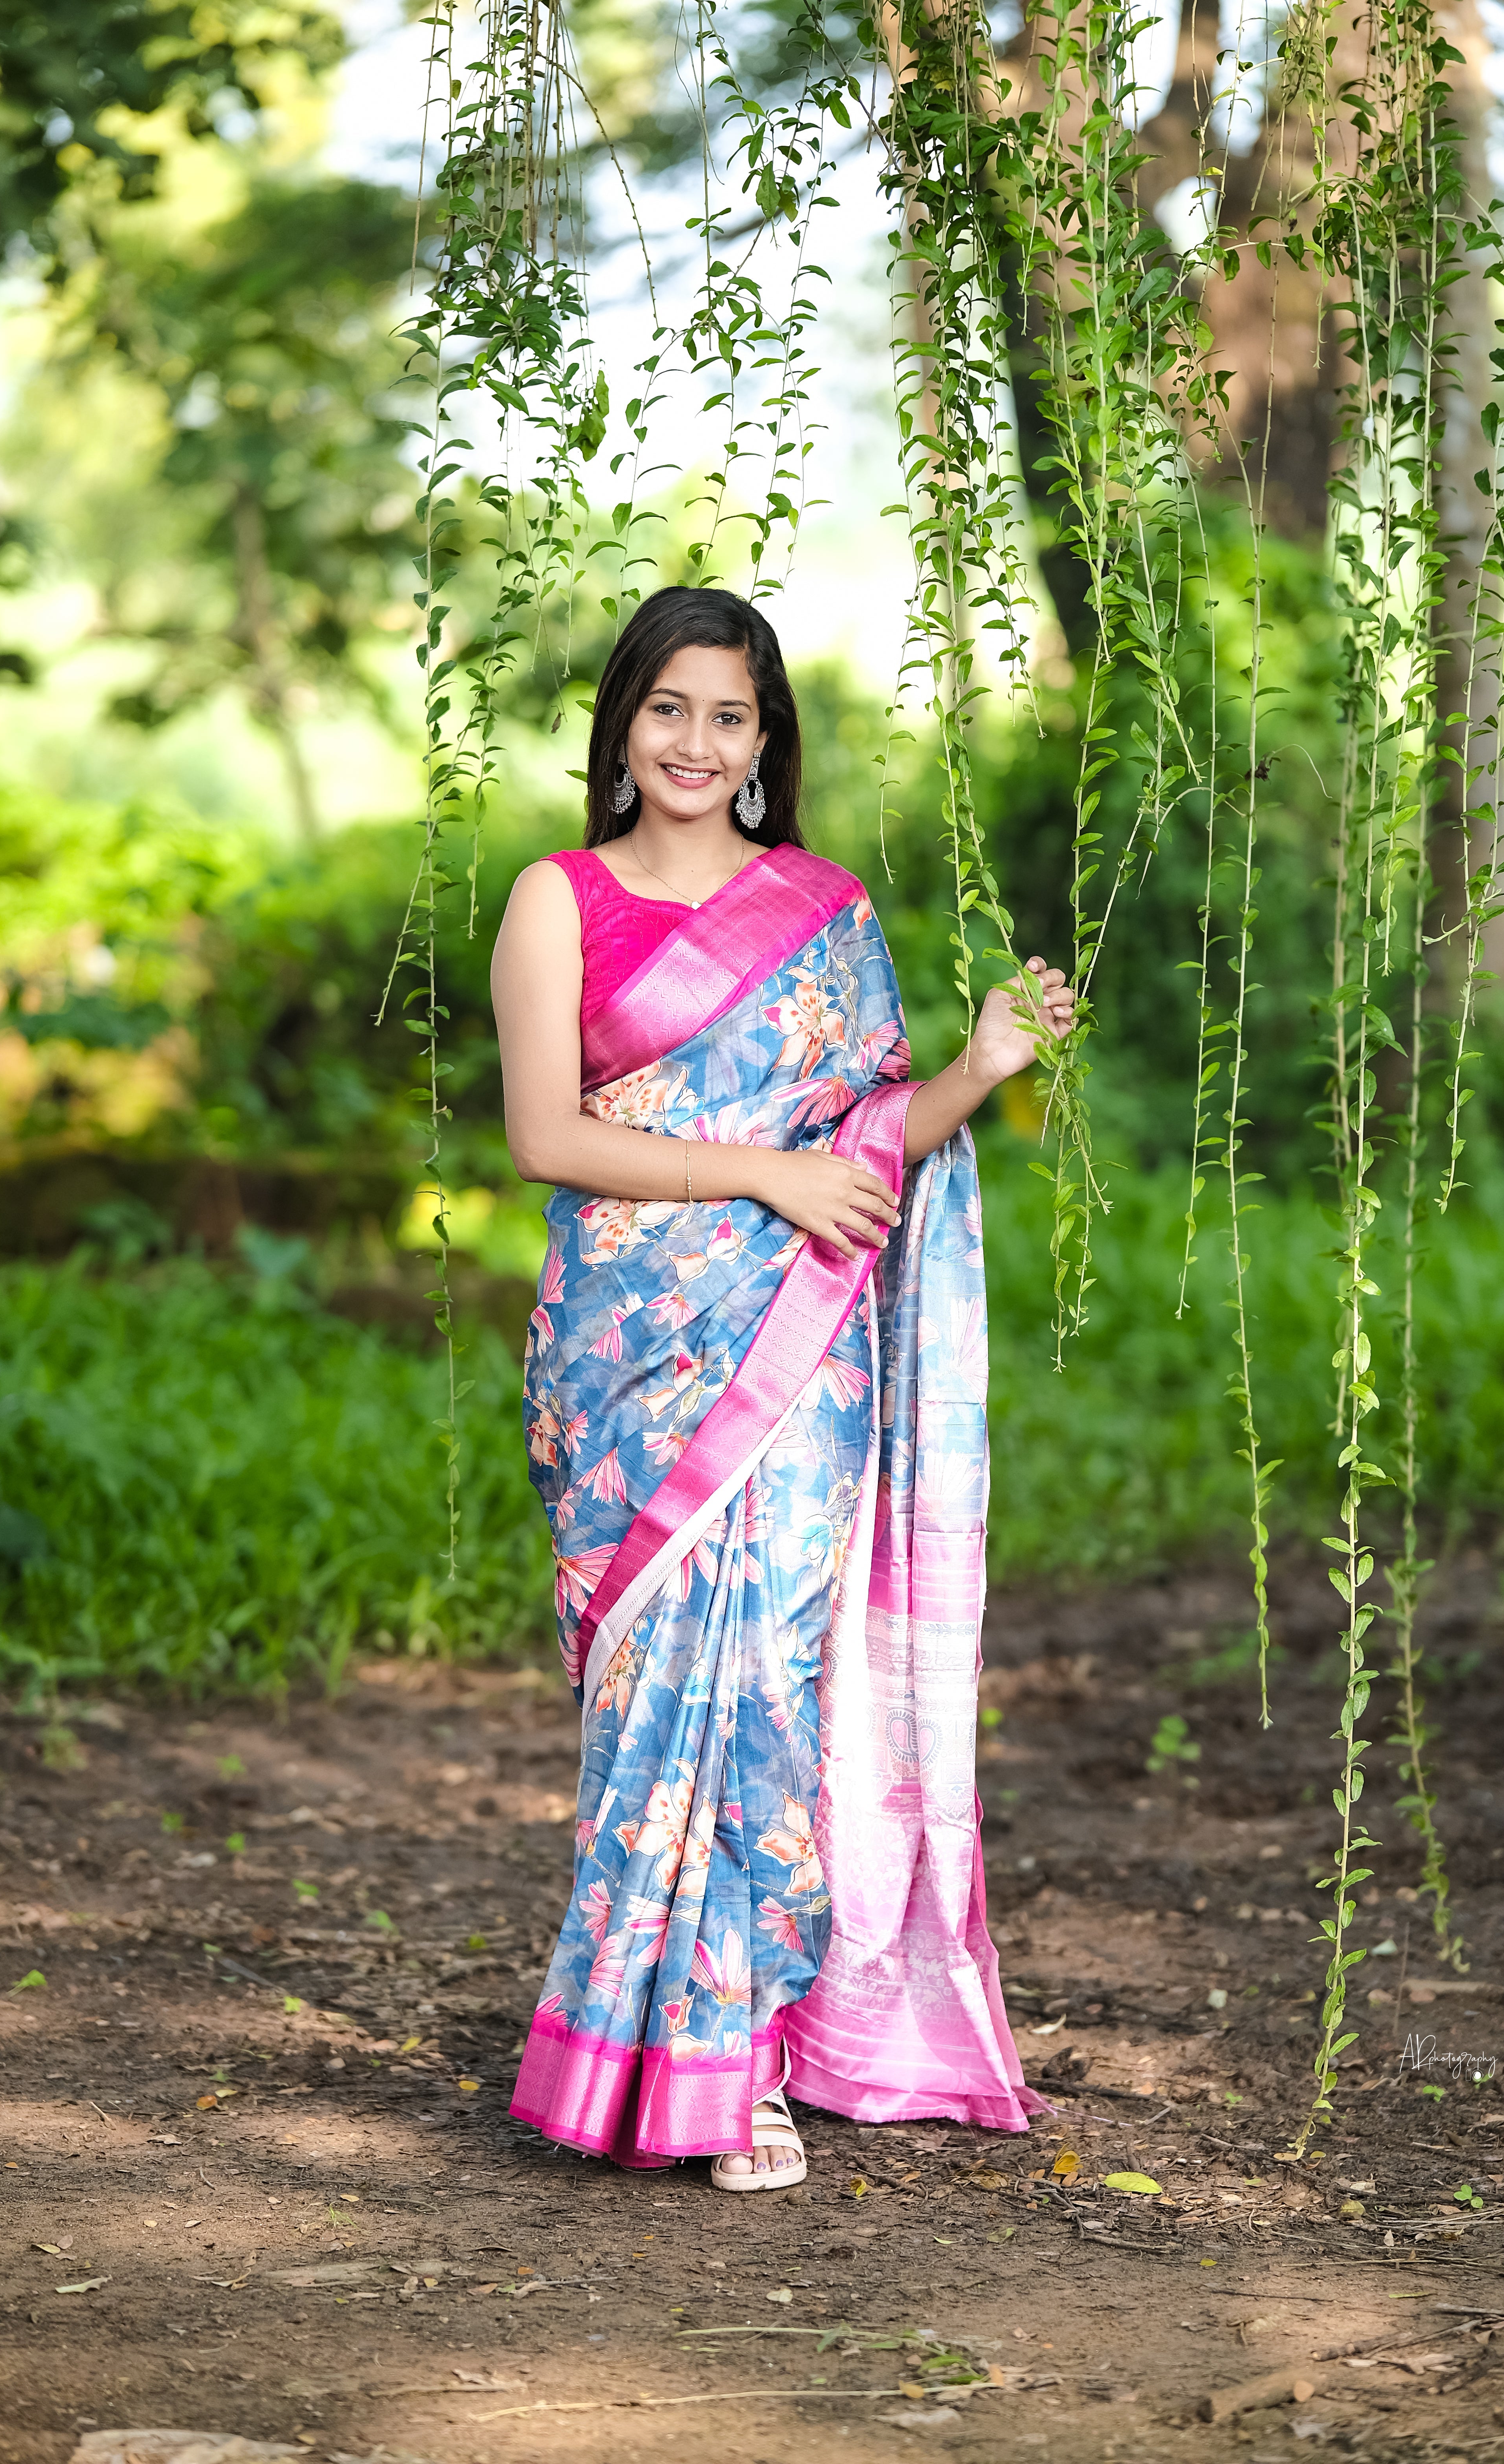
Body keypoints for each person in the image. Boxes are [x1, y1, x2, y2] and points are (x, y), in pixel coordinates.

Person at [491, 584, 1075, 2189]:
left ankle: (734, 2056)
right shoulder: (557, 900)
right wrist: (764, 1173)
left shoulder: (820, 910)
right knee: (643, 1695)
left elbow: (872, 1145)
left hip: (794, 1352)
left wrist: (981, 1066)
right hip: (626, 1353)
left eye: (727, 715)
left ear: (764, 741)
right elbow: (546, 1135)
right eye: (666, 708)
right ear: (620, 724)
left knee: (767, 1675)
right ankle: (634, 2039)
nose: (693, 741)